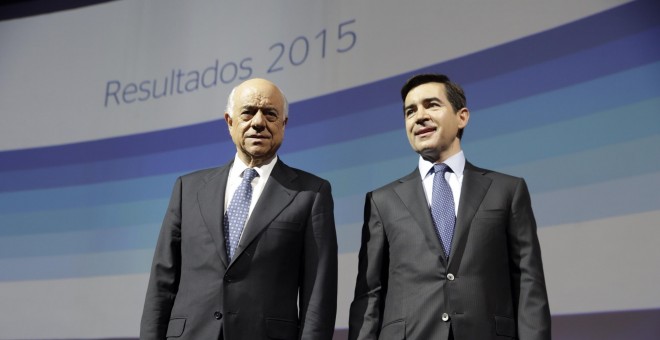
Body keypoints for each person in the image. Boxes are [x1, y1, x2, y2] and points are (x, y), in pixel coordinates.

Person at [348, 74, 550, 339]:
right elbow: (369, 295)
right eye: (410, 111)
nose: (419, 116)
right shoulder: (382, 200)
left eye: (431, 105)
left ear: (462, 117)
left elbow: (528, 283)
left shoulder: (507, 191)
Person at [140, 78, 338, 339]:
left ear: (284, 124)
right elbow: (161, 283)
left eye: (270, 114)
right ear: (229, 121)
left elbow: (318, 294)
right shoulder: (188, 189)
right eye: (248, 112)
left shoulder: (311, 193)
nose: (258, 122)